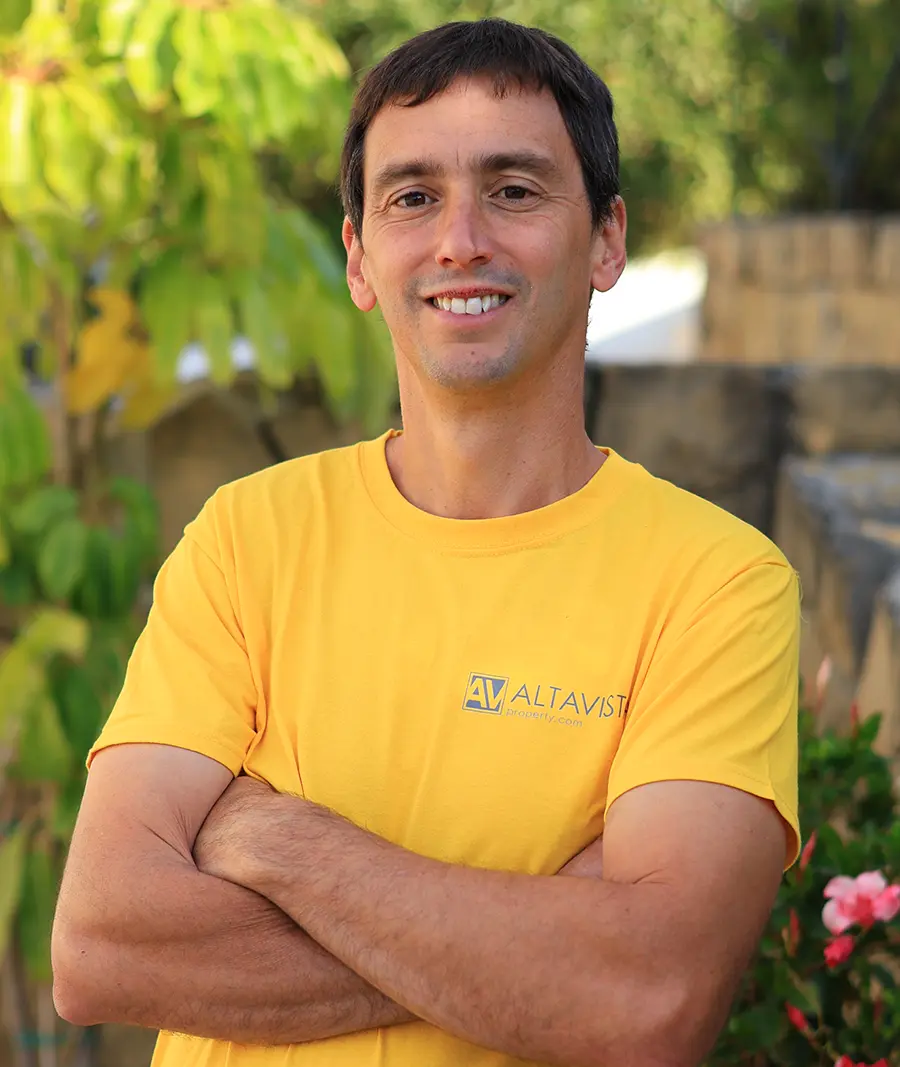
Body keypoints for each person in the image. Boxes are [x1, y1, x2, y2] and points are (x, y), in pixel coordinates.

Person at [52, 17, 801, 1067]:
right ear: (359, 256)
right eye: (412, 196)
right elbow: (101, 944)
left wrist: (278, 840)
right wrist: (542, 940)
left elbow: (648, 997)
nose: (461, 240)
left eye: (515, 189)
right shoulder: (246, 538)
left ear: (607, 239)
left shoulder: (716, 582)